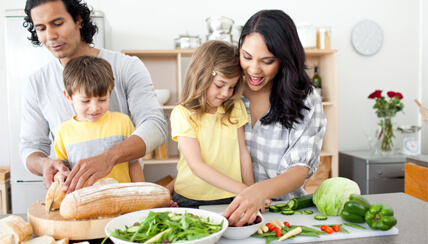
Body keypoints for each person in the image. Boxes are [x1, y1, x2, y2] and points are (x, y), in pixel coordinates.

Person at [21, 0, 166, 193]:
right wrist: (44, 164)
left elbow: (155, 126)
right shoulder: (36, 83)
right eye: (41, 28)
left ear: (78, 20)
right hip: (76, 197)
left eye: (58, 24)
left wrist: (109, 157)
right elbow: (31, 146)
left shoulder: (127, 66)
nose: (50, 36)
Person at [223, 10, 327, 226]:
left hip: (285, 214)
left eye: (267, 61)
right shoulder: (227, 91)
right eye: (247, 57)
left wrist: (257, 192)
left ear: (285, 59)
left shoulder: (306, 100)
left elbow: (299, 169)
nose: (254, 69)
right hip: (227, 211)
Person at [170, 40, 254, 208]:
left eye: (232, 87)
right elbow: (197, 167)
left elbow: (243, 153)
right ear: (201, 77)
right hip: (190, 198)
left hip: (231, 196)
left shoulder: (234, 107)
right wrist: (244, 189)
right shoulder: (183, 113)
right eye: (220, 85)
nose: (226, 93)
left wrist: (252, 190)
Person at [53, 55, 144, 184]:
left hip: (122, 199)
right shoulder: (63, 131)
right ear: (69, 97)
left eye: (102, 99)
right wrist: (59, 176)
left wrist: (141, 195)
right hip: (84, 201)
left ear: (110, 93)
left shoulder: (123, 122)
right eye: (85, 101)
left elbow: (134, 164)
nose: (94, 108)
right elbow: (63, 170)